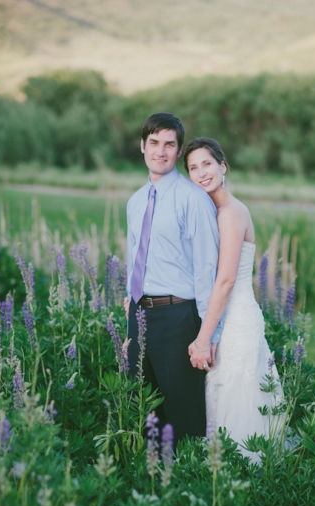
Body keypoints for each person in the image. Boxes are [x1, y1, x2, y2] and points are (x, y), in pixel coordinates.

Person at [125, 114, 222, 445]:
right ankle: (153, 486)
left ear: (179, 151)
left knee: (184, 415)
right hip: (138, 316)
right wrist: (129, 296)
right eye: (154, 143)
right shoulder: (135, 201)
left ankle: (190, 486)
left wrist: (209, 335)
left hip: (178, 317)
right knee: (143, 411)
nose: (160, 151)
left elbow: (207, 269)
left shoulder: (193, 199)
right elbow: (133, 253)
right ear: (142, 147)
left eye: (169, 144)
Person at [184, 137, 282, 461]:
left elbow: (225, 281)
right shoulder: (212, 211)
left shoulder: (230, 213)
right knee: (221, 400)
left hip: (235, 320)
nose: (201, 173)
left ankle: (242, 482)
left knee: (235, 403)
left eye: (207, 164)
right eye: (193, 168)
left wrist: (202, 340)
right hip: (226, 316)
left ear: (223, 166)